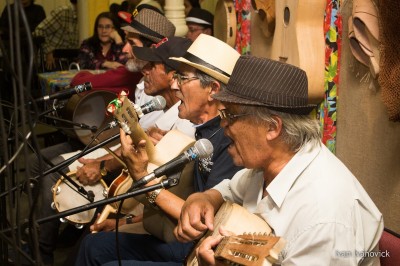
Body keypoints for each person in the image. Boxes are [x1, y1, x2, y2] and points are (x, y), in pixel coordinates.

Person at [174, 56, 384, 265]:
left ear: (272, 128)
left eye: (231, 115)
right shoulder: (270, 166)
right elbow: (230, 189)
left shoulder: (323, 217)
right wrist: (203, 199)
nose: (223, 125)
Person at [75, 34, 243, 266]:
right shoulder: (203, 131)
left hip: (195, 250)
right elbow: (185, 198)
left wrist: (142, 177)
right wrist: (127, 221)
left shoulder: (228, 139)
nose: (175, 85)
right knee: (92, 245)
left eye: (183, 78)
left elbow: (202, 221)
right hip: (177, 237)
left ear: (213, 90)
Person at [28, 7, 176, 266]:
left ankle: (43, 250)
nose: (126, 50)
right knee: (34, 161)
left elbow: (147, 148)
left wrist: (103, 164)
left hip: (126, 166)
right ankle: (46, 235)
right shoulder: (144, 81)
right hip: (115, 146)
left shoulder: (167, 95)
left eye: (132, 44)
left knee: (51, 170)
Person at [33, 0, 79, 71]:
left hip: (70, 60)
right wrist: (49, 51)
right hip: (52, 60)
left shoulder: (86, 18)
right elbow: (38, 31)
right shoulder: (63, 12)